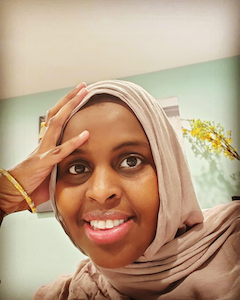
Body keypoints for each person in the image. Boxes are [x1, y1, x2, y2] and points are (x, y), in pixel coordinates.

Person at [0, 80, 239, 299]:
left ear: (170, 172)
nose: (101, 192)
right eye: (77, 168)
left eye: (131, 161)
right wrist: (3, 198)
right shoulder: (66, 294)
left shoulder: (232, 246)